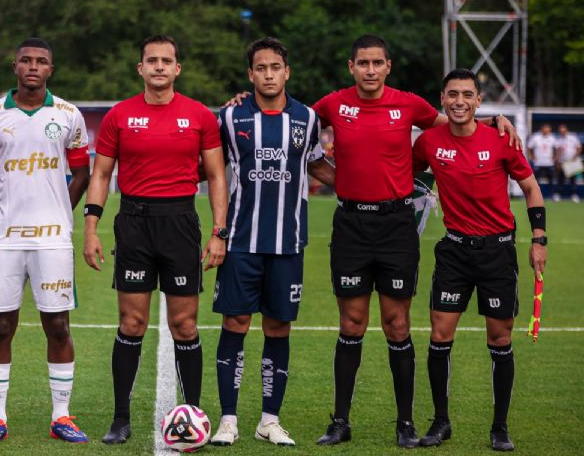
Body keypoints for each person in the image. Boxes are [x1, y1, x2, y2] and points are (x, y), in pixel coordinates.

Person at [305, 34, 518, 448]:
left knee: (396, 324)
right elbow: (293, 126)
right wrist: (338, 179)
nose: (369, 70)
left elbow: (456, 123)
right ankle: (340, 421)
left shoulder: (410, 105)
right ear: (351, 67)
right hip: (350, 225)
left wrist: (493, 120)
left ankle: (405, 423)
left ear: (388, 66)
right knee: (351, 323)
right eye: (362, 63)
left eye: (377, 63)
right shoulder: (333, 104)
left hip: (397, 227)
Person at [82, 34, 228, 445]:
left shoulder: (199, 116)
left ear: (177, 68)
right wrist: (91, 228)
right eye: (152, 60)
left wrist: (219, 233)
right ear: (140, 68)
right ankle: (120, 418)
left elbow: (217, 176)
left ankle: (194, 414)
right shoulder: (119, 116)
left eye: (167, 60)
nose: (159, 66)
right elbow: (101, 175)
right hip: (133, 222)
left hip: (181, 221)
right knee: (132, 322)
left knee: (184, 324)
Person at [412, 68, 547, 452]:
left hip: (497, 252)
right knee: (440, 336)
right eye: (452, 94)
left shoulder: (500, 138)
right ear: (442, 99)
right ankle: (440, 422)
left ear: (478, 100)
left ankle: (500, 427)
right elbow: (407, 172)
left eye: (467, 95)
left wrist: (539, 239)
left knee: (499, 338)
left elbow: (530, 187)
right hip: (454, 251)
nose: (459, 101)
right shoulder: (429, 142)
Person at [209, 37, 335, 448]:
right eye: (260, 68)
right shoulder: (229, 117)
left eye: (275, 67)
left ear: (287, 71)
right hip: (241, 242)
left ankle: (269, 419)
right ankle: (228, 419)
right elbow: (209, 170)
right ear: (250, 74)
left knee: (278, 328)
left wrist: (372, 187)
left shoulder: (308, 117)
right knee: (236, 324)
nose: (268, 74)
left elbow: (317, 164)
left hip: (288, 242)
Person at [0, 38, 92, 445]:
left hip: (53, 240)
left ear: (51, 70)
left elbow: (82, 173)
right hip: (3, 240)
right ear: (14, 66)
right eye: (26, 60)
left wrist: (61, 214)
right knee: (1, 326)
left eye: (41, 61)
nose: (33, 67)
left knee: (58, 325)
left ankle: (61, 416)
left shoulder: (69, 115)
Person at [526, 123, 557, 198]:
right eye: (546, 129)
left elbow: (555, 148)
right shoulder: (536, 137)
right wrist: (532, 157)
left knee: (551, 180)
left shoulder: (552, 138)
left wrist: (554, 157)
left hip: (549, 163)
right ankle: (536, 195)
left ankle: (552, 195)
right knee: (536, 180)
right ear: (542, 129)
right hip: (538, 163)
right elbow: (529, 148)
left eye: (549, 130)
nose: (547, 131)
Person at [555, 124, 582, 202]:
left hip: (571, 161)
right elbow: (557, 151)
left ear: (566, 130)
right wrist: (557, 161)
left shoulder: (573, 137)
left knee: (573, 179)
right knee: (560, 179)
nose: (562, 132)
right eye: (560, 131)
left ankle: (574, 195)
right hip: (562, 162)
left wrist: (575, 157)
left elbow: (579, 147)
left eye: (563, 131)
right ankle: (558, 195)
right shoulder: (559, 139)